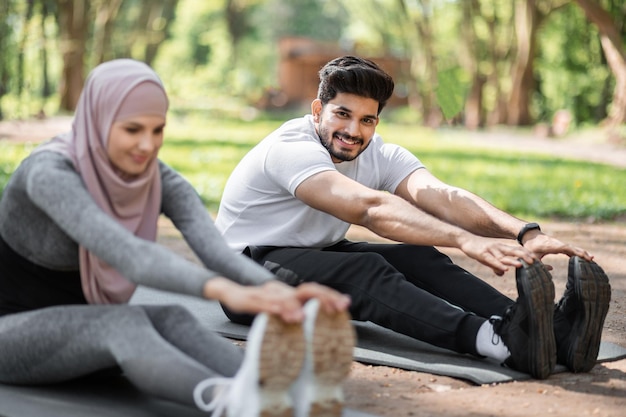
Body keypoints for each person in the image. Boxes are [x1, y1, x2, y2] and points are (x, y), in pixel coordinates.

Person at [215, 55, 611, 380]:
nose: (353, 131)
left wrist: (525, 232)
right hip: (247, 275)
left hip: (312, 254)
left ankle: (541, 329)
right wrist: (464, 240)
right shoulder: (290, 148)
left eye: (367, 120)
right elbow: (368, 209)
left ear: (377, 121)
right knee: (367, 270)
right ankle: (497, 342)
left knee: (419, 256)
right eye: (342, 114)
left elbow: (444, 197)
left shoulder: (378, 153)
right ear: (318, 109)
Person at [0, 59, 353, 417]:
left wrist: (279, 293)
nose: (147, 145)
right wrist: (227, 290)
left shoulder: (153, 176)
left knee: (173, 317)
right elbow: (132, 256)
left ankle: (270, 393)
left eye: (157, 130)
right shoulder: (49, 173)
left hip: (80, 333)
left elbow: (215, 250)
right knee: (121, 322)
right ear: (98, 119)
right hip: (10, 339)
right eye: (132, 129)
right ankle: (227, 401)